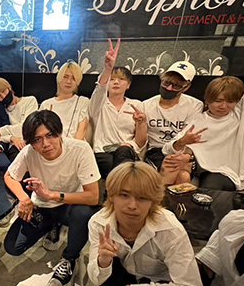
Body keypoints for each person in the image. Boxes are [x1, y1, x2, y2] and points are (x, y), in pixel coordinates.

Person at [85, 161, 204, 286]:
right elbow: (96, 277)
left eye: (142, 198)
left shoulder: (170, 229)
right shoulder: (99, 222)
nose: (132, 205)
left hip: (158, 280)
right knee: (104, 268)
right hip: (126, 269)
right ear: (111, 195)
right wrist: (103, 261)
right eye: (124, 195)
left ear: (154, 201)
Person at [3, 110, 100, 286]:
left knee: (84, 213)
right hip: (42, 206)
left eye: (50, 135)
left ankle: (69, 259)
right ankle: (52, 225)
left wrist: (53, 195)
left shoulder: (80, 149)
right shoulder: (29, 152)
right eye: (37, 139)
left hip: (69, 205)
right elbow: (9, 176)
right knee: (13, 247)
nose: (45, 144)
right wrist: (24, 198)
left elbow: (93, 196)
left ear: (59, 132)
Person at [163, 65, 244, 191]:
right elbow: (167, 149)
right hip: (217, 172)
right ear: (208, 99)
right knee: (208, 193)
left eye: (230, 101)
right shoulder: (199, 122)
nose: (224, 106)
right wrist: (182, 142)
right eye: (218, 101)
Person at [89, 39, 147, 178]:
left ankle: (113, 187)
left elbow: (140, 142)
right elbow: (100, 89)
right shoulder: (99, 104)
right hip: (103, 152)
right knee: (120, 167)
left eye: (121, 79)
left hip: (128, 151)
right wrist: (108, 69)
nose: (116, 82)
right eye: (112, 79)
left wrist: (141, 123)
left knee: (123, 153)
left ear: (128, 85)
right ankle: (120, 183)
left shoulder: (136, 105)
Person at [140, 61, 203, 185]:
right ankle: (160, 196)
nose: (169, 88)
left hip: (182, 150)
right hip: (157, 150)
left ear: (186, 87)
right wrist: (140, 123)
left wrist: (187, 156)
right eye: (166, 83)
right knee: (174, 168)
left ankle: (159, 197)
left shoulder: (195, 105)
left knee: (183, 176)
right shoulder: (146, 105)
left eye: (176, 86)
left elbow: (188, 136)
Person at [0, 77, 39, 162]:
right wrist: (12, 138)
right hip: (13, 147)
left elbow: (26, 127)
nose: (3, 96)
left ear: (9, 87)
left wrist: (1, 131)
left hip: (31, 142)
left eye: (3, 91)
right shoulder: (0, 111)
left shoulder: (30, 101)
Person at [39, 61, 90, 140]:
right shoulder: (46, 104)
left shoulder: (83, 101)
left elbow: (82, 130)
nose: (69, 82)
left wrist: (73, 146)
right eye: (65, 77)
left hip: (75, 144)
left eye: (73, 78)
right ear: (59, 78)